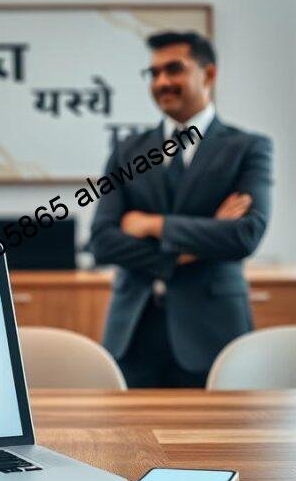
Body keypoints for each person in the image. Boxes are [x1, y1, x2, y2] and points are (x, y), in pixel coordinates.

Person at [89, 31, 273, 388]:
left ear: (208, 75)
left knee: (216, 443)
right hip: (131, 334)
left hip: (212, 333)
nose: (162, 82)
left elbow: (244, 235)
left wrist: (150, 224)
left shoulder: (248, 148)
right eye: (154, 73)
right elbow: (101, 241)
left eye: (174, 69)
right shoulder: (128, 151)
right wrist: (191, 248)